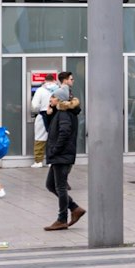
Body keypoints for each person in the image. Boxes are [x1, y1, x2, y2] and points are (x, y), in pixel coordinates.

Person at [43, 78, 82, 229]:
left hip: (62, 155)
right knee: (50, 185)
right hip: (60, 155)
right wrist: (49, 114)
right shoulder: (60, 112)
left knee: (59, 187)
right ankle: (74, 208)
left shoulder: (65, 114)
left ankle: (62, 219)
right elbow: (53, 129)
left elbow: (64, 133)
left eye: (53, 97)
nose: (50, 99)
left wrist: (55, 150)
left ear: (59, 99)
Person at [30, 76, 53, 166]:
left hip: (43, 115)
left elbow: (34, 106)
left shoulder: (40, 90)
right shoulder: (58, 89)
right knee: (53, 138)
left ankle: (38, 161)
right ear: (54, 80)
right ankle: (51, 161)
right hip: (55, 115)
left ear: (44, 81)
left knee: (40, 138)